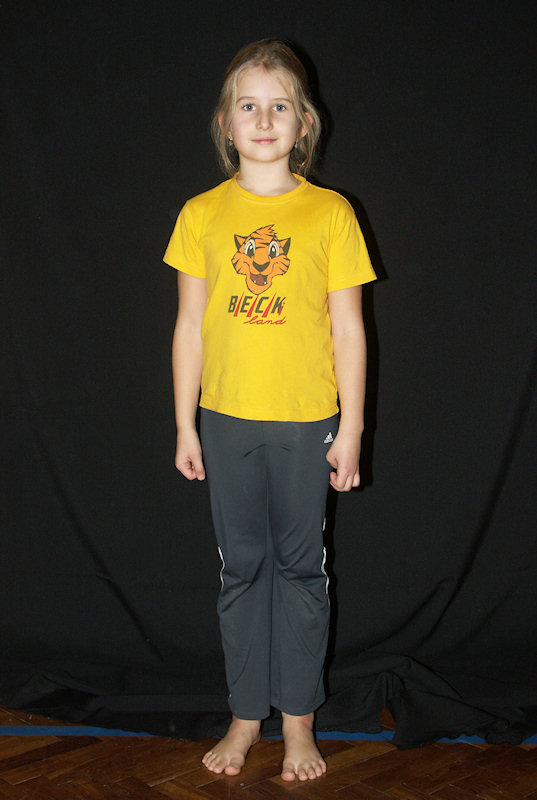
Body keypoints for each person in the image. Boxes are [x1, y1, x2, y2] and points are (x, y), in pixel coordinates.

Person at [164, 39, 376, 783]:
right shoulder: (201, 214)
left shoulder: (330, 213)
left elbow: (349, 331)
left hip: (306, 421)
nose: (263, 120)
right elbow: (189, 327)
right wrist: (185, 423)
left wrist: (352, 428)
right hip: (226, 421)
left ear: (303, 122)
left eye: (279, 106)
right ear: (226, 123)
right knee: (242, 571)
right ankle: (246, 715)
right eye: (248, 106)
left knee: (302, 570)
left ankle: (298, 723)